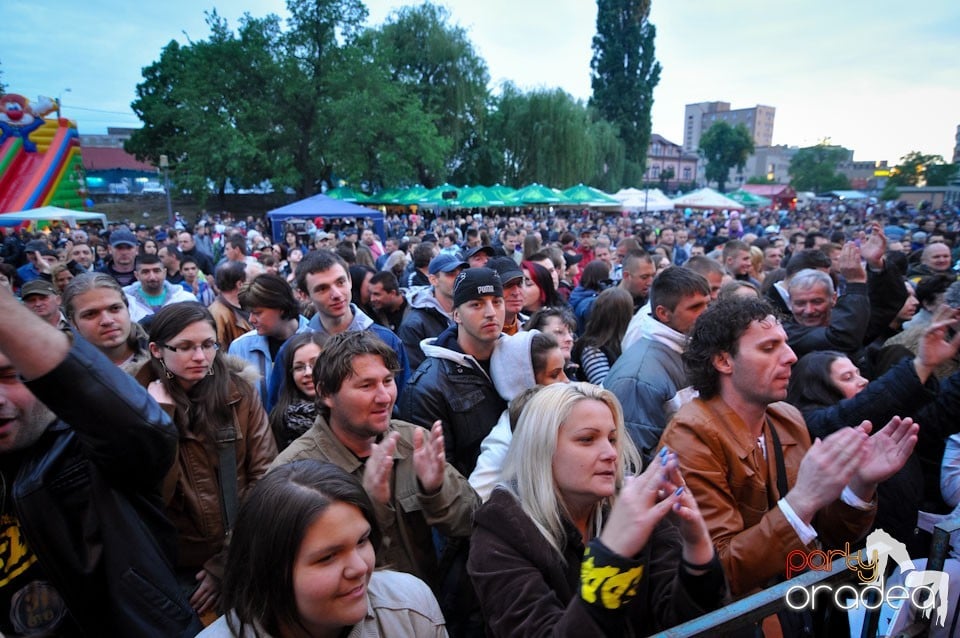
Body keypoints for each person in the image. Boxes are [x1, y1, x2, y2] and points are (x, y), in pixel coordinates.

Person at [658, 296, 918, 608]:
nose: (791, 356)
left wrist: (859, 485)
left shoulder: (786, 417)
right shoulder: (690, 436)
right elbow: (718, 571)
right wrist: (800, 502)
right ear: (724, 361)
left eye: (785, 343)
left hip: (797, 607)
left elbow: (826, 538)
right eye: (769, 348)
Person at [0, 263, 202, 636]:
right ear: (71, 323)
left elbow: (146, 440)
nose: (107, 320)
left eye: (11, 376)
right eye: (91, 314)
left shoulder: (79, 443)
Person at [468, 383, 726, 637]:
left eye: (612, 439)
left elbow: (681, 620)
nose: (610, 453)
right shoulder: (500, 530)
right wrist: (612, 556)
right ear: (542, 449)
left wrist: (697, 546)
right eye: (587, 439)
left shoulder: (631, 503)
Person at [270, 331, 478, 593]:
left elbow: (471, 522)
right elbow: (281, 572)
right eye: (366, 385)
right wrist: (368, 506)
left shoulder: (413, 442)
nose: (384, 397)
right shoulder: (295, 471)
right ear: (325, 394)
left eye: (388, 381)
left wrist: (436, 489)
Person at [134, 302, 278, 620]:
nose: (200, 357)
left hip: (243, 551)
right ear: (157, 350)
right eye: (185, 347)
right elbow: (152, 496)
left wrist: (227, 561)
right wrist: (162, 420)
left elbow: (265, 477)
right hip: (175, 567)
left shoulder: (239, 393)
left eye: (207, 345)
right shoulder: (135, 402)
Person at [200, 459, 447, 638]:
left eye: (362, 541)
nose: (360, 567)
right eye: (328, 557)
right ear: (269, 570)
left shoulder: (409, 608)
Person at [786, 309, 960, 551]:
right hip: (860, 569)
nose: (863, 381)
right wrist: (921, 364)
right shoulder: (812, 424)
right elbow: (849, 415)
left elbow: (939, 413)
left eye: (859, 373)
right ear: (819, 390)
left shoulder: (885, 424)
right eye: (847, 378)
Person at [398, 268, 507, 477]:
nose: (491, 312)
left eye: (496, 301)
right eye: (476, 304)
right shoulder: (427, 387)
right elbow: (439, 478)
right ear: (456, 314)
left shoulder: (520, 359)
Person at [605, 267, 711, 459]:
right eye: (695, 307)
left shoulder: (688, 347)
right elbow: (637, 458)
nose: (706, 314)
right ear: (663, 313)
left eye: (707, 305)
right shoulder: (638, 376)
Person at [469, 330, 569, 501]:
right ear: (525, 381)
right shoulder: (507, 436)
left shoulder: (570, 411)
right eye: (554, 375)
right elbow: (476, 501)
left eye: (564, 371)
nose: (566, 380)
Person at [229, 273, 312, 399]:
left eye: (257, 313)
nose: (251, 319)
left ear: (281, 307)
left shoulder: (318, 341)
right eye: (250, 313)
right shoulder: (241, 347)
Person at [62, 272, 151, 370]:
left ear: (127, 309)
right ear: (73, 322)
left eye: (115, 308)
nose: (107, 320)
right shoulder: (62, 375)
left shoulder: (163, 358)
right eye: (91, 314)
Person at [396, 253, 464, 370]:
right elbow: (413, 373)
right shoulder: (414, 325)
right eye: (451, 274)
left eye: (461, 274)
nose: (458, 279)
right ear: (433, 280)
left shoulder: (469, 311)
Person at [268, 332, 328, 451]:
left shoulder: (348, 414)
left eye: (315, 364)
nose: (308, 372)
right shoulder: (279, 420)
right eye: (299, 367)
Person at [124, 253, 198, 323]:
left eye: (156, 271)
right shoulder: (126, 301)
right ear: (137, 275)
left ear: (164, 272)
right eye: (145, 272)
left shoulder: (184, 299)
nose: (152, 277)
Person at [208, 261, 253, 352]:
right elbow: (218, 352)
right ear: (240, 284)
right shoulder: (217, 314)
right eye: (249, 279)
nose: (253, 282)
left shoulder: (247, 304)